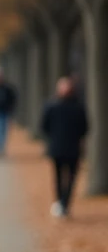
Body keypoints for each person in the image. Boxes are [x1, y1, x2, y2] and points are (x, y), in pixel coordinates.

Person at [41, 76, 90, 217]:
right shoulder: (78, 107)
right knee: (70, 177)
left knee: (59, 176)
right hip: (72, 148)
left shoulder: (51, 106)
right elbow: (85, 128)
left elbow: (44, 126)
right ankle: (64, 203)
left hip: (58, 147)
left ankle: (60, 202)